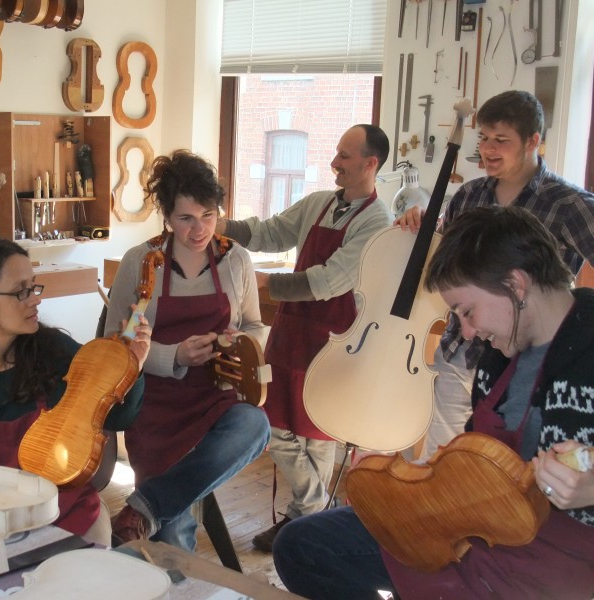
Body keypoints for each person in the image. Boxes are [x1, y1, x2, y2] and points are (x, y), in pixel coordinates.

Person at [274, 206, 594, 600]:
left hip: (554, 567)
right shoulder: (500, 353)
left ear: (516, 285)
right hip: (472, 531)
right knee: (302, 547)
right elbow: (477, 466)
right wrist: (405, 482)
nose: (469, 332)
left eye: (467, 311)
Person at [216, 124, 392, 551]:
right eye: (336, 152)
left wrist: (263, 284)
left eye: (345, 156)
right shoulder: (318, 203)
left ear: (370, 164)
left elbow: (330, 281)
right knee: (273, 423)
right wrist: (218, 223)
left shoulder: (377, 220)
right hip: (292, 332)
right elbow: (269, 232)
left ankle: (301, 522)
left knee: (318, 437)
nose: (335, 162)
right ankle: (315, 514)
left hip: (334, 340)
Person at [397, 90, 594, 459]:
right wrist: (422, 224)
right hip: (464, 349)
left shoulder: (568, 204)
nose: (488, 148)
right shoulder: (468, 196)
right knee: (448, 460)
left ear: (534, 141)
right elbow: (448, 262)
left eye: (501, 140)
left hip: (528, 357)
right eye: (484, 138)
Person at [0, 238, 152, 546]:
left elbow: (118, 417)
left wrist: (133, 368)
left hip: (70, 517)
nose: (35, 299)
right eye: (21, 291)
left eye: (33, 287)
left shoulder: (54, 351)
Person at [104, 150, 271, 551]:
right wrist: (173, 355)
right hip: (155, 401)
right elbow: (117, 343)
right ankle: (156, 524)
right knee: (174, 539)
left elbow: (255, 326)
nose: (200, 230)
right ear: (166, 216)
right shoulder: (141, 263)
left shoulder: (235, 260)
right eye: (186, 219)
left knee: (255, 426)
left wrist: (237, 345)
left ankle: (140, 509)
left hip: (216, 396)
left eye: (209, 215)